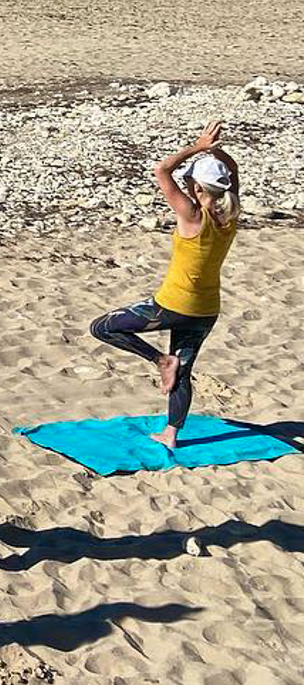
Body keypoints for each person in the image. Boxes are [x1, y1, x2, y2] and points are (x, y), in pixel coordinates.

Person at [90, 123, 239, 449]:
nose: (185, 185)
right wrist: (215, 152)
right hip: (206, 310)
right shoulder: (230, 214)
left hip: (172, 305)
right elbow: (234, 172)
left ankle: (160, 360)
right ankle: (171, 436)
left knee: (101, 328)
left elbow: (162, 169)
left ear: (199, 189)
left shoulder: (192, 216)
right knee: (183, 372)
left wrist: (200, 147)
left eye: (190, 182)